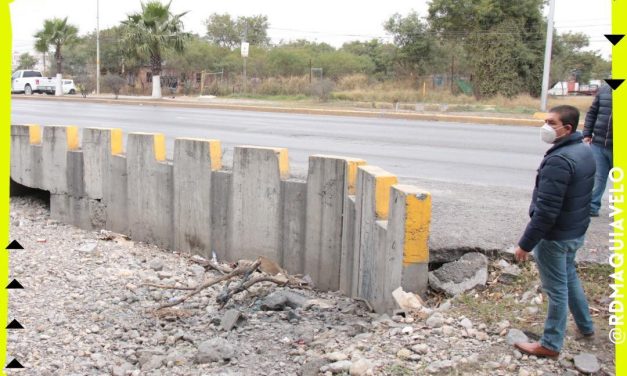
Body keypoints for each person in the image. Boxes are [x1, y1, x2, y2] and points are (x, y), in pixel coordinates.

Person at [513, 105, 596, 358]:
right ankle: (586, 327)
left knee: (556, 289)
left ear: (567, 128)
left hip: (555, 237)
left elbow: (546, 212)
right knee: (569, 278)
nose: (545, 127)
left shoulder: (559, 161)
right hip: (575, 231)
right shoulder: (584, 150)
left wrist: (525, 244)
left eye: (551, 122)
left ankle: (550, 344)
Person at [583, 83, 613, 217]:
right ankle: (592, 207)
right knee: (597, 177)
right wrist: (587, 133)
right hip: (599, 143)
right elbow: (592, 112)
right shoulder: (605, 89)